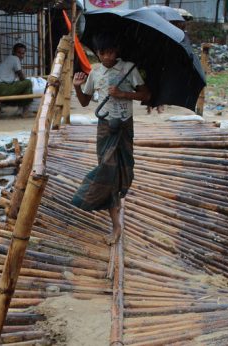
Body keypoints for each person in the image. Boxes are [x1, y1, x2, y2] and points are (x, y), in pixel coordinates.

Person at [71, 32, 149, 244]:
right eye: (104, 53)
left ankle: (114, 203)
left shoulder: (129, 69)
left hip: (124, 126)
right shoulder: (95, 73)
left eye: (112, 52)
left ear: (117, 51)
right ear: (97, 53)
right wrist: (77, 86)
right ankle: (115, 225)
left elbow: (146, 95)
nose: (108, 56)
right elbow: (86, 102)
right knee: (107, 171)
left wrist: (124, 94)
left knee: (123, 171)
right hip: (105, 127)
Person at [0, 43, 33, 117]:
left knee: (19, 86)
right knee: (28, 83)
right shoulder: (15, 58)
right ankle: (25, 111)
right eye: (18, 52)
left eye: (23, 53)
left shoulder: (8, 59)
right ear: (13, 52)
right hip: (1, 88)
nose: (21, 55)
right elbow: (22, 77)